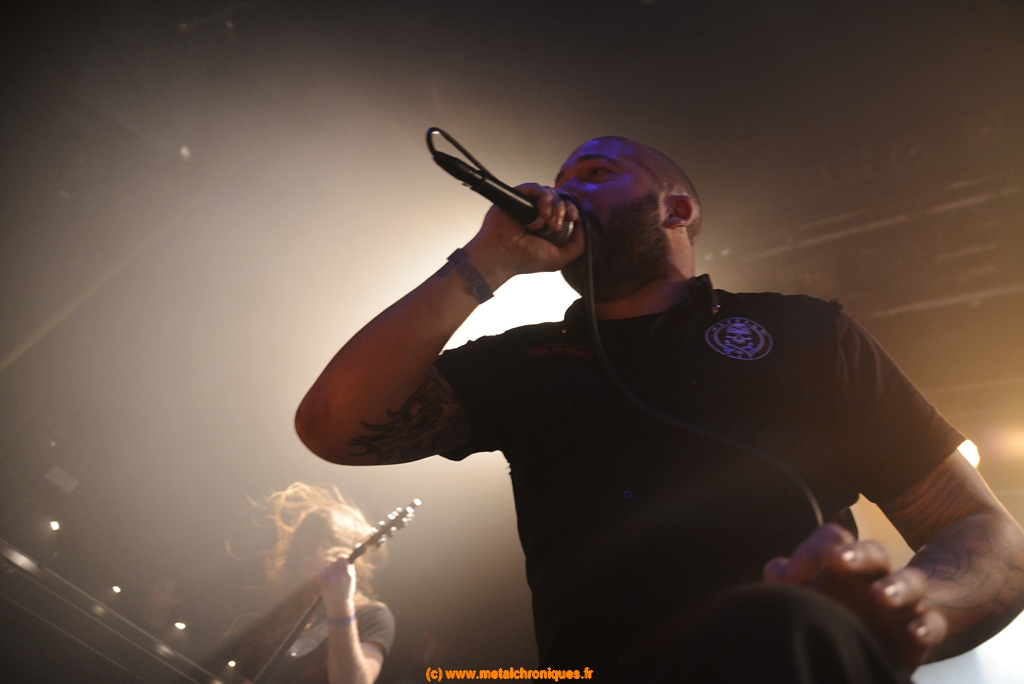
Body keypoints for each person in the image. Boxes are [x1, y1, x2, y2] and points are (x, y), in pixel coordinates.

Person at [294, 136, 1024, 681]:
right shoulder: (521, 361)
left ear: (678, 208)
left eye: (595, 173)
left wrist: (906, 603)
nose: (564, 193)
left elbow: (985, 531)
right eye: (560, 181)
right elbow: (332, 426)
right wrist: (485, 261)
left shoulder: (804, 331)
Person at [229, 482, 394, 684]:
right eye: (307, 546)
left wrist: (340, 607)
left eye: (327, 543)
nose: (315, 554)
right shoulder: (284, 611)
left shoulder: (373, 616)